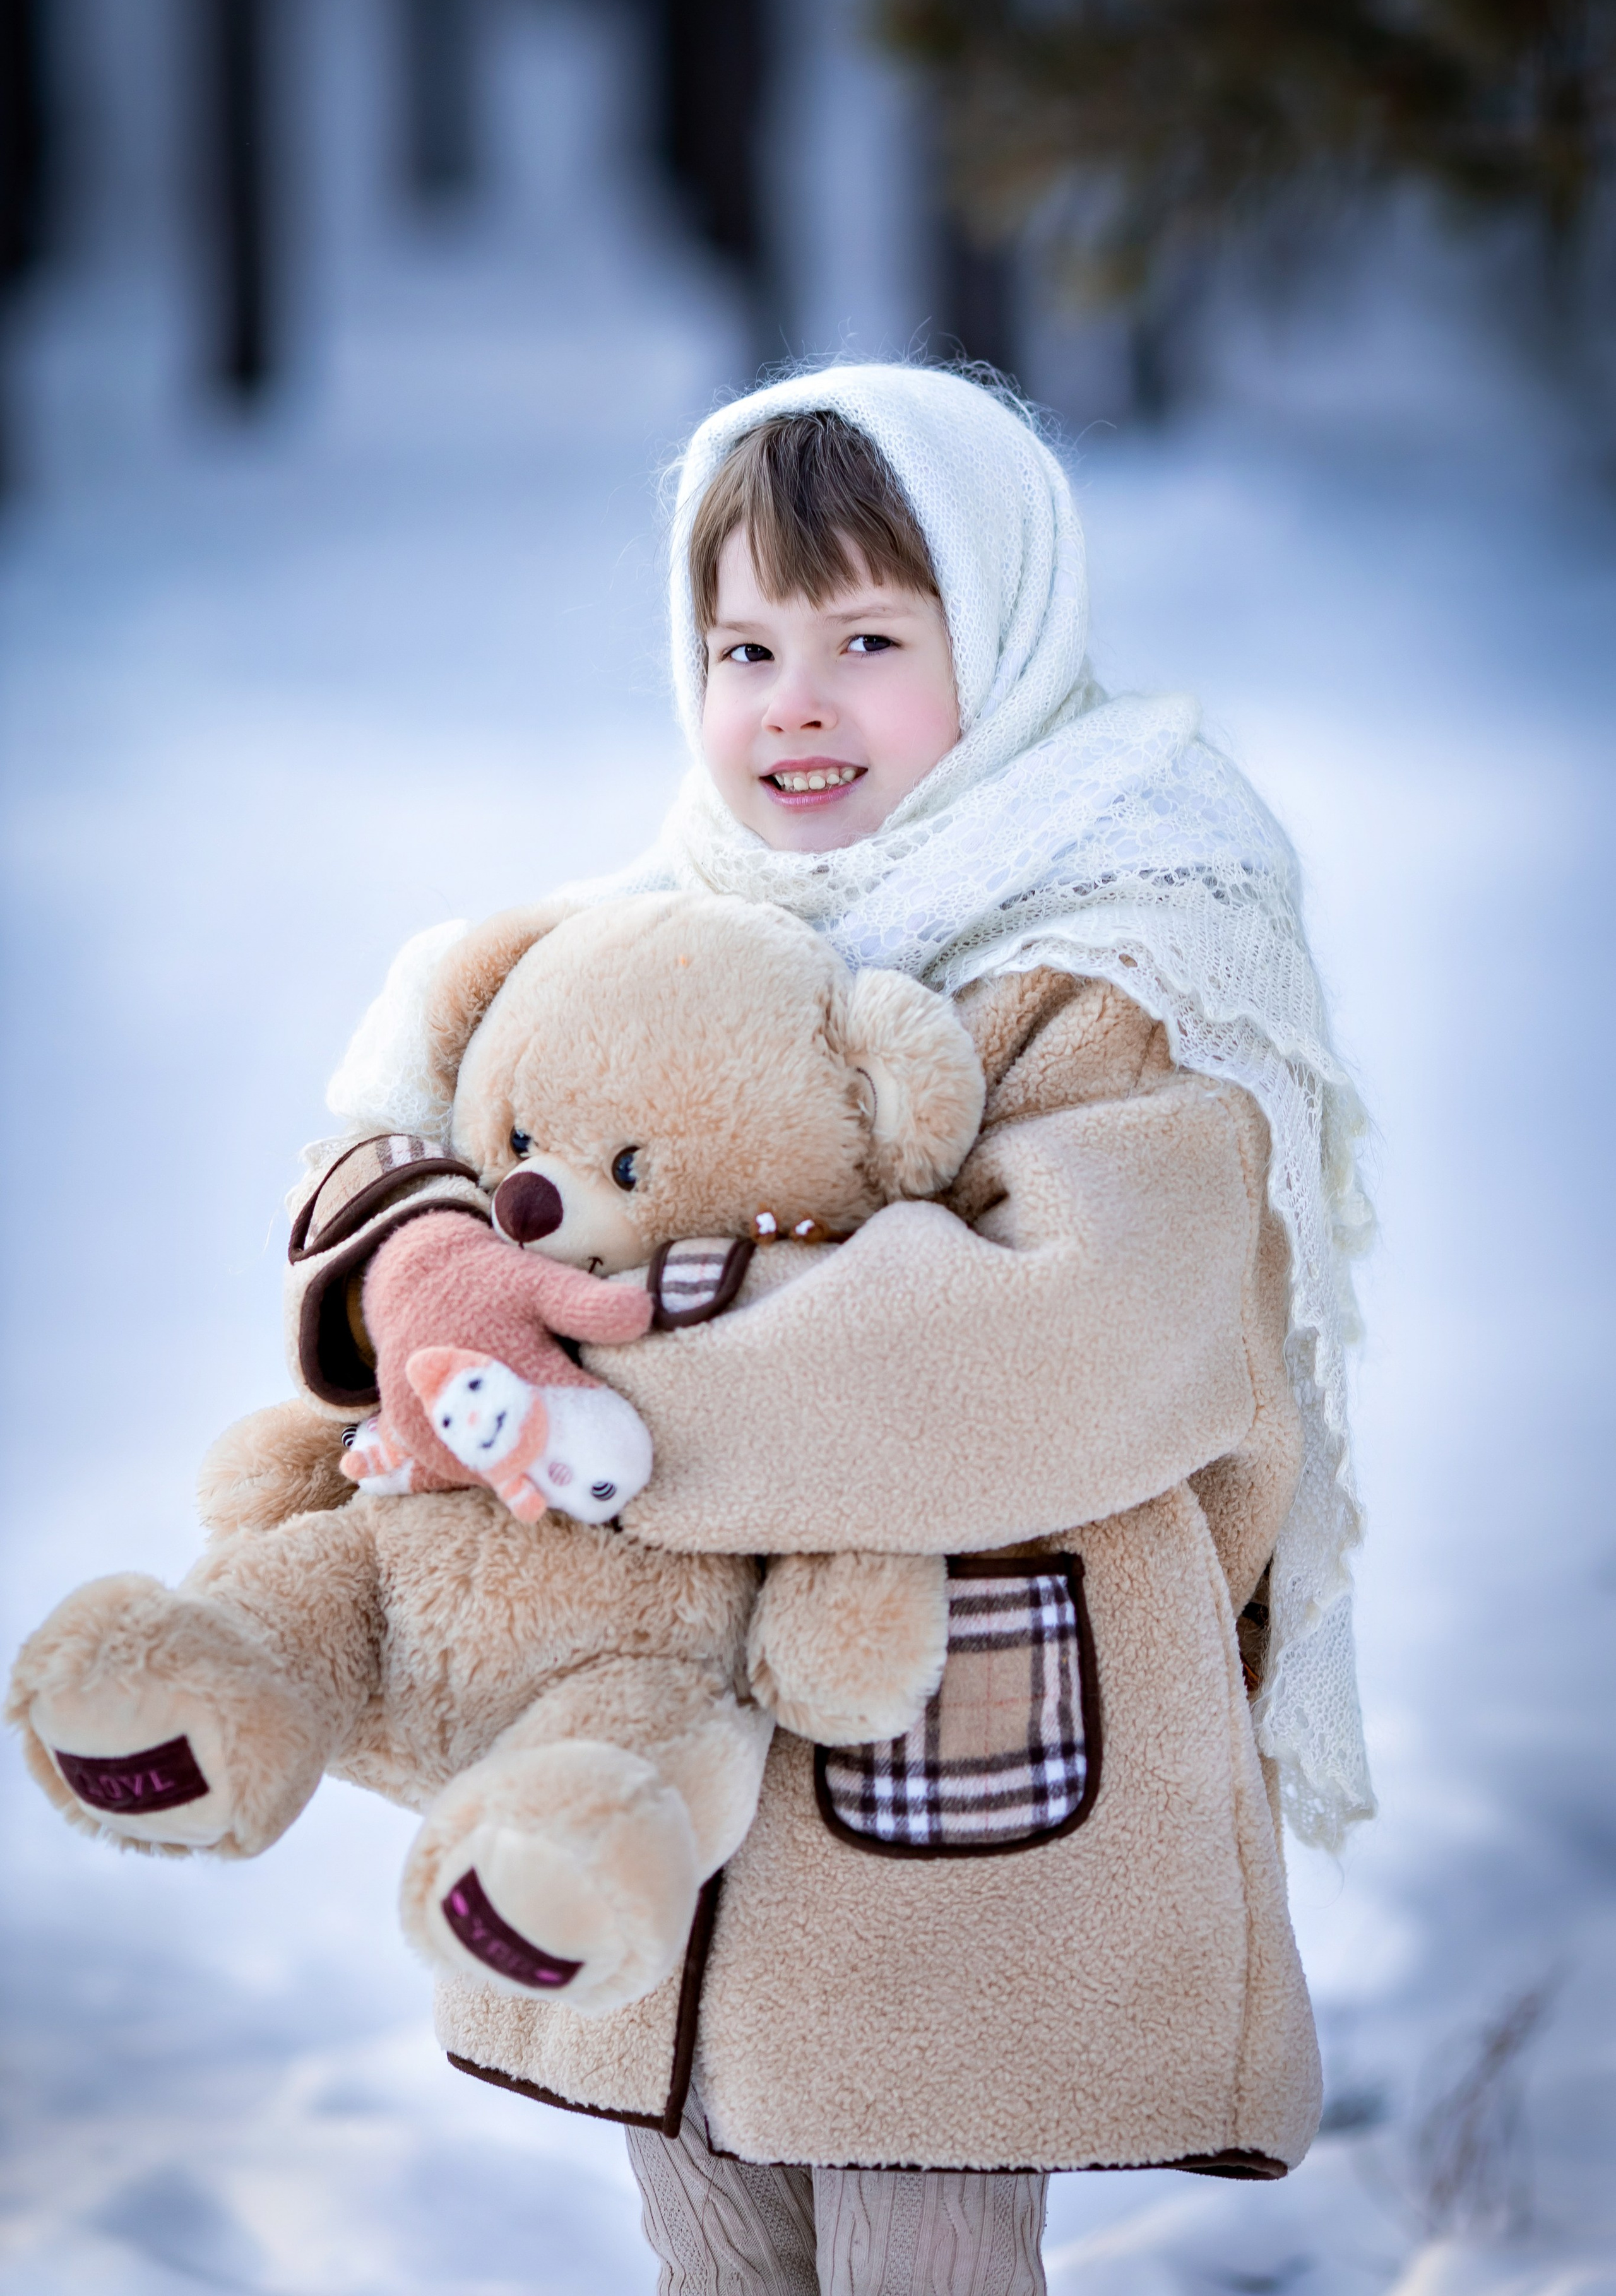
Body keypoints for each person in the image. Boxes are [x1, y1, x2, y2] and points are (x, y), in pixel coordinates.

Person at [307, 364, 1375, 2296]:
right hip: (678, 1804)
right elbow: (416, 1121)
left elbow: (1053, 1342)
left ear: (1007, 632)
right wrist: (435, 1278)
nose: (792, 701)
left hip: (966, 1791)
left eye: (870, 637)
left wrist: (582, 1392)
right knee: (716, 2255)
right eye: (744, 646)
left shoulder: (1132, 942)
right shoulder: (676, 914)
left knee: (920, 2268)